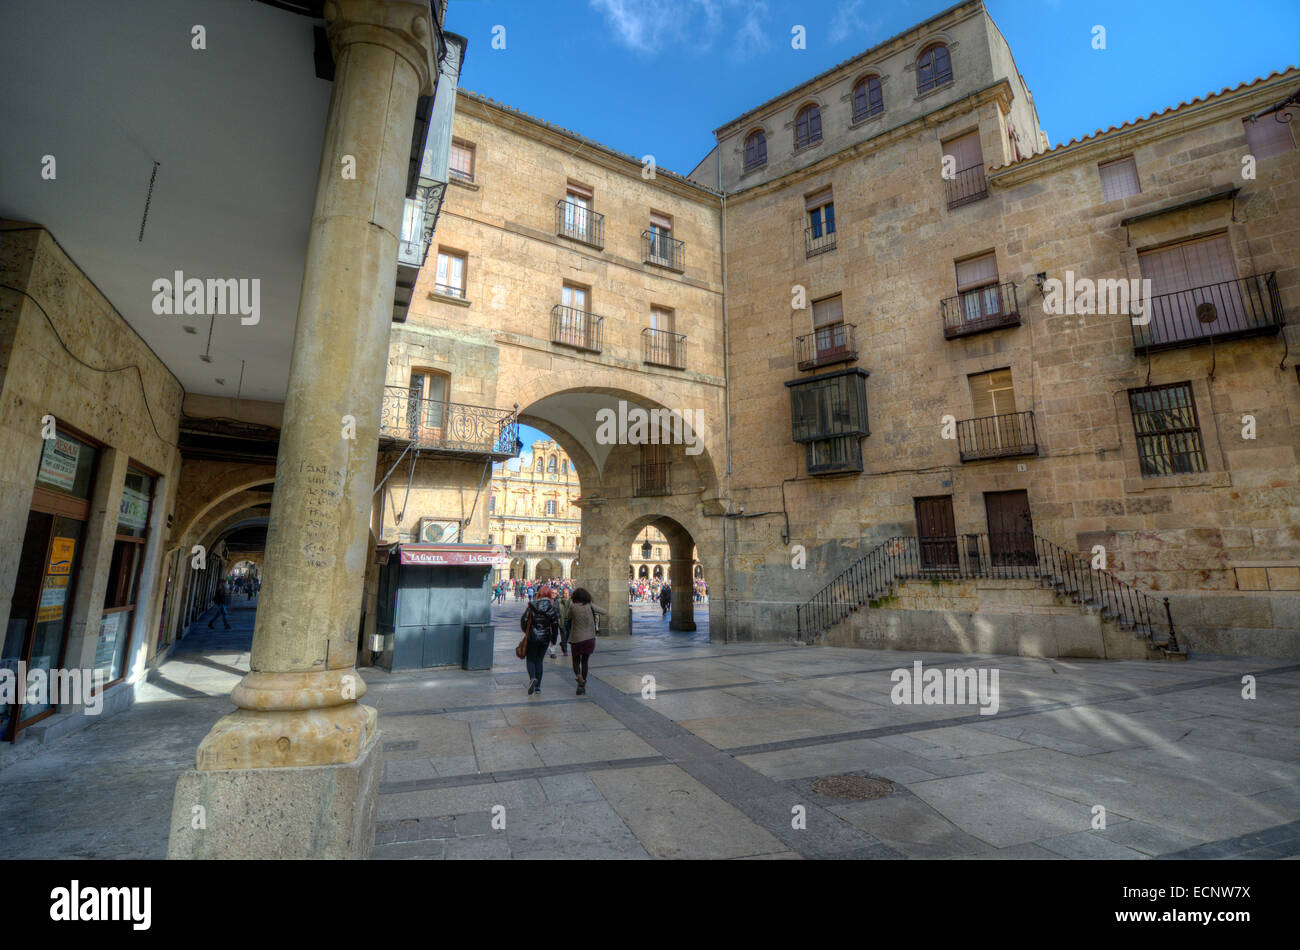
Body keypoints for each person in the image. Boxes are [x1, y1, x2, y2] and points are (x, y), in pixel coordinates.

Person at [567, 588, 606, 696]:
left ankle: (579, 677)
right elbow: (604, 612)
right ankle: (582, 686)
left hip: (576, 639)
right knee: (585, 661)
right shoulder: (590, 605)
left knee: (575, 660)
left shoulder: (573, 606)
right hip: (589, 639)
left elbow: (568, 616)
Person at [523, 584, 560, 695]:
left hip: (533, 637)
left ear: (538, 594)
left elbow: (524, 621)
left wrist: (527, 631)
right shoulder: (551, 608)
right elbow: (555, 625)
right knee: (539, 661)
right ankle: (538, 687)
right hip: (545, 638)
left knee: (530, 659)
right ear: (549, 595)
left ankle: (533, 678)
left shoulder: (531, 606)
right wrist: (553, 639)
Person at [556, 587, 572, 658]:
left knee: (569, 635)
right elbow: (556, 610)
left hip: (570, 621)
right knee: (563, 635)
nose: (565, 594)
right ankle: (565, 651)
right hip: (562, 621)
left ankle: (563, 643)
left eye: (566, 593)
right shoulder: (559, 601)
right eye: (564, 593)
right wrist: (558, 617)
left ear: (569, 593)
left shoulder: (572, 601)